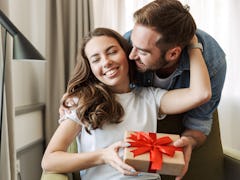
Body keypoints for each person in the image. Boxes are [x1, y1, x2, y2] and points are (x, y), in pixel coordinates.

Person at [41, 27, 210, 180]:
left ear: (128, 54)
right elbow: (50, 160)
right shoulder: (82, 102)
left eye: (112, 52)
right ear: (90, 68)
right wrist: (103, 156)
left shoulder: (151, 97)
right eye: (96, 59)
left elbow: (200, 94)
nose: (106, 62)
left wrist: (194, 46)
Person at [123, 0, 226, 179]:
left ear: (173, 53)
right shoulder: (131, 42)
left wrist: (191, 140)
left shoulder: (213, 61)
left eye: (143, 52)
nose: (131, 55)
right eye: (133, 44)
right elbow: (95, 78)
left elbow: (199, 121)